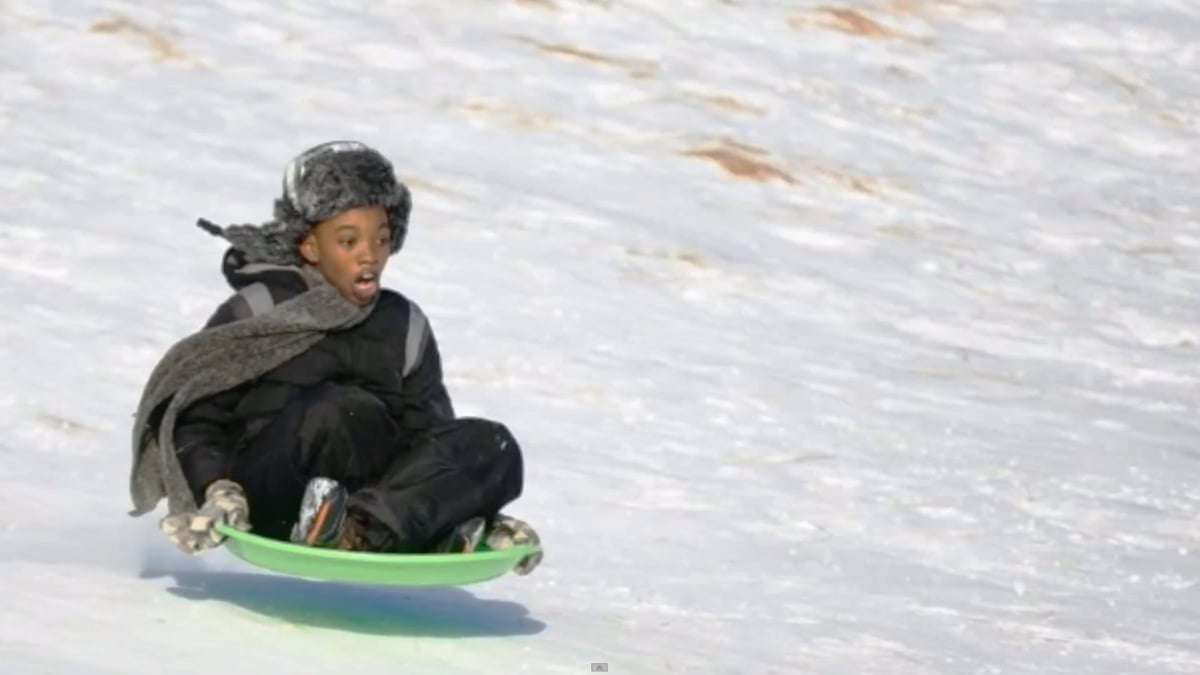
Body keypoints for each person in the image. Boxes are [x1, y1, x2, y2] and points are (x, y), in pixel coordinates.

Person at [128, 141, 541, 574]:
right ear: (310, 246)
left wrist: (467, 493)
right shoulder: (262, 309)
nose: (370, 254)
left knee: (493, 444)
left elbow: (428, 435)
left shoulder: (404, 324)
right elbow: (199, 417)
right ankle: (373, 525)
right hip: (273, 495)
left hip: (371, 500)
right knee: (340, 411)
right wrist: (218, 488)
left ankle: (366, 530)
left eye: (381, 239)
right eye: (349, 241)